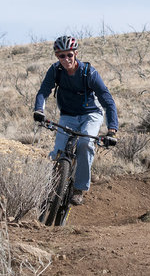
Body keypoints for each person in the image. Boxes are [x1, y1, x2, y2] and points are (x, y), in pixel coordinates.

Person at [33, 35, 118, 205]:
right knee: (58, 152)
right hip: (68, 115)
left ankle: (79, 188)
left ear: (76, 53)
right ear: (57, 56)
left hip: (91, 114)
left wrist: (112, 130)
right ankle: (53, 186)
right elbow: (43, 91)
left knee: (85, 143)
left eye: (69, 55)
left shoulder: (89, 73)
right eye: (61, 56)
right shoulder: (55, 70)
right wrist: (38, 110)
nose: (66, 59)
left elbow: (107, 101)